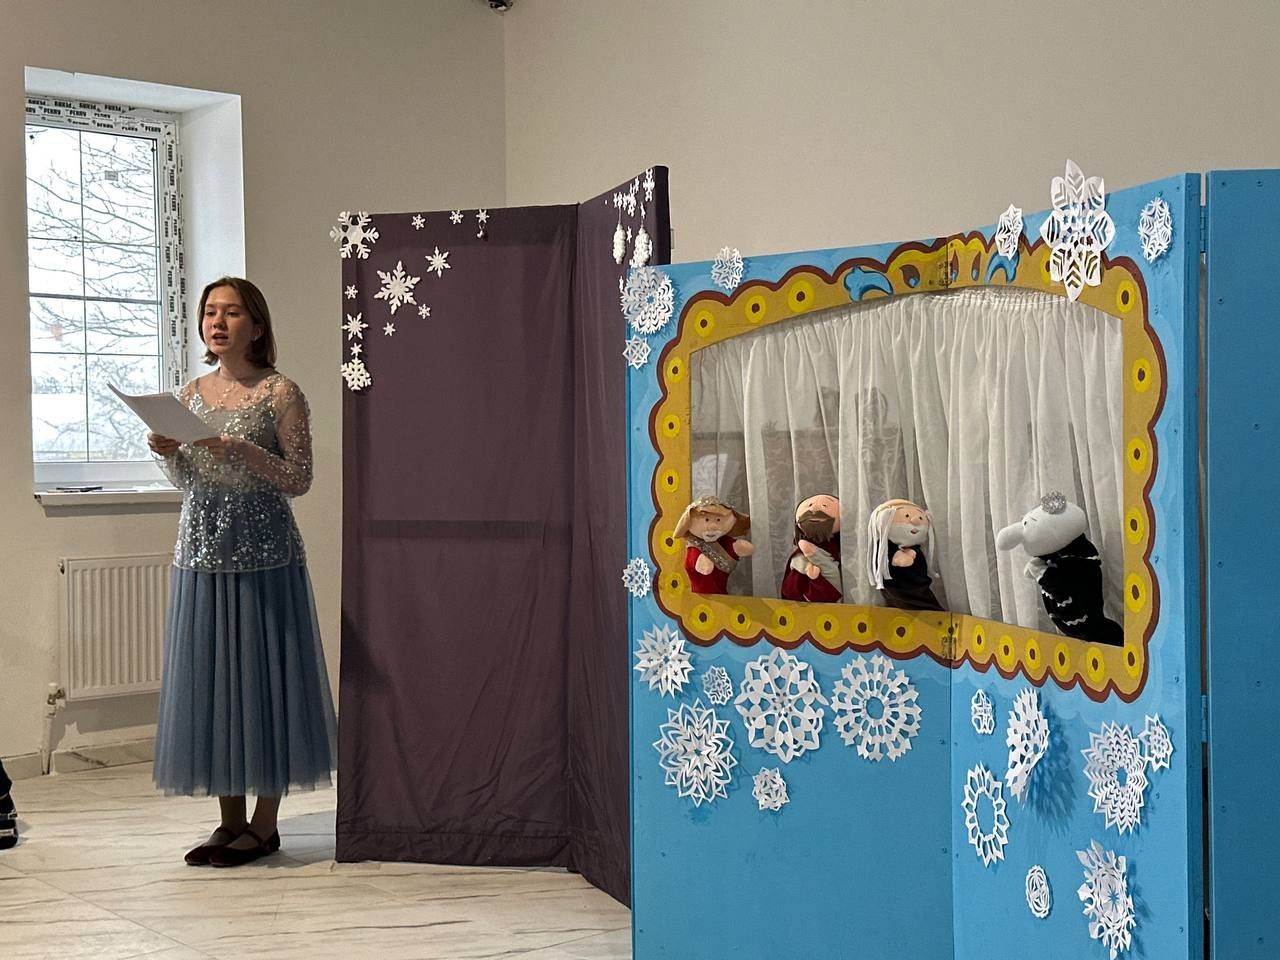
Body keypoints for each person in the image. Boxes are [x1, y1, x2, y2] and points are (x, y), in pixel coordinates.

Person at [148, 276, 336, 867]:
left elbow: (300, 478)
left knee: (265, 681)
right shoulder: (190, 393)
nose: (218, 322)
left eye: (231, 313)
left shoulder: (281, 392)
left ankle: (265, 824)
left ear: (256, 325)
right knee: (214, 684)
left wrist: (247, 451)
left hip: (264, 554)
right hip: (202, 553)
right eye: (210, 312)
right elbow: (189, 482)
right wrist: (169, 455)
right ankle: (229, 821)